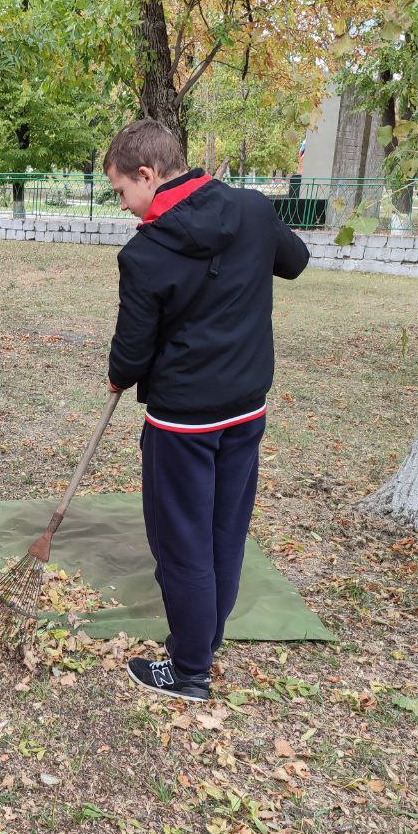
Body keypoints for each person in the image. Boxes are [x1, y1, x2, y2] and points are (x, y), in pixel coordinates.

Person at [103, 119, 310, 702]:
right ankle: (205, 640)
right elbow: (294, 261)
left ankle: (190, 668)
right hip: (245, 409)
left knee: (182, 542)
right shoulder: (251, 209)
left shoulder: (143, 254)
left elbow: (133, 352)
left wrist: (118, 374)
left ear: (148, 175)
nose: (123, 205)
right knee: (224, 530)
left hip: (183, 421)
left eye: (122, 191)